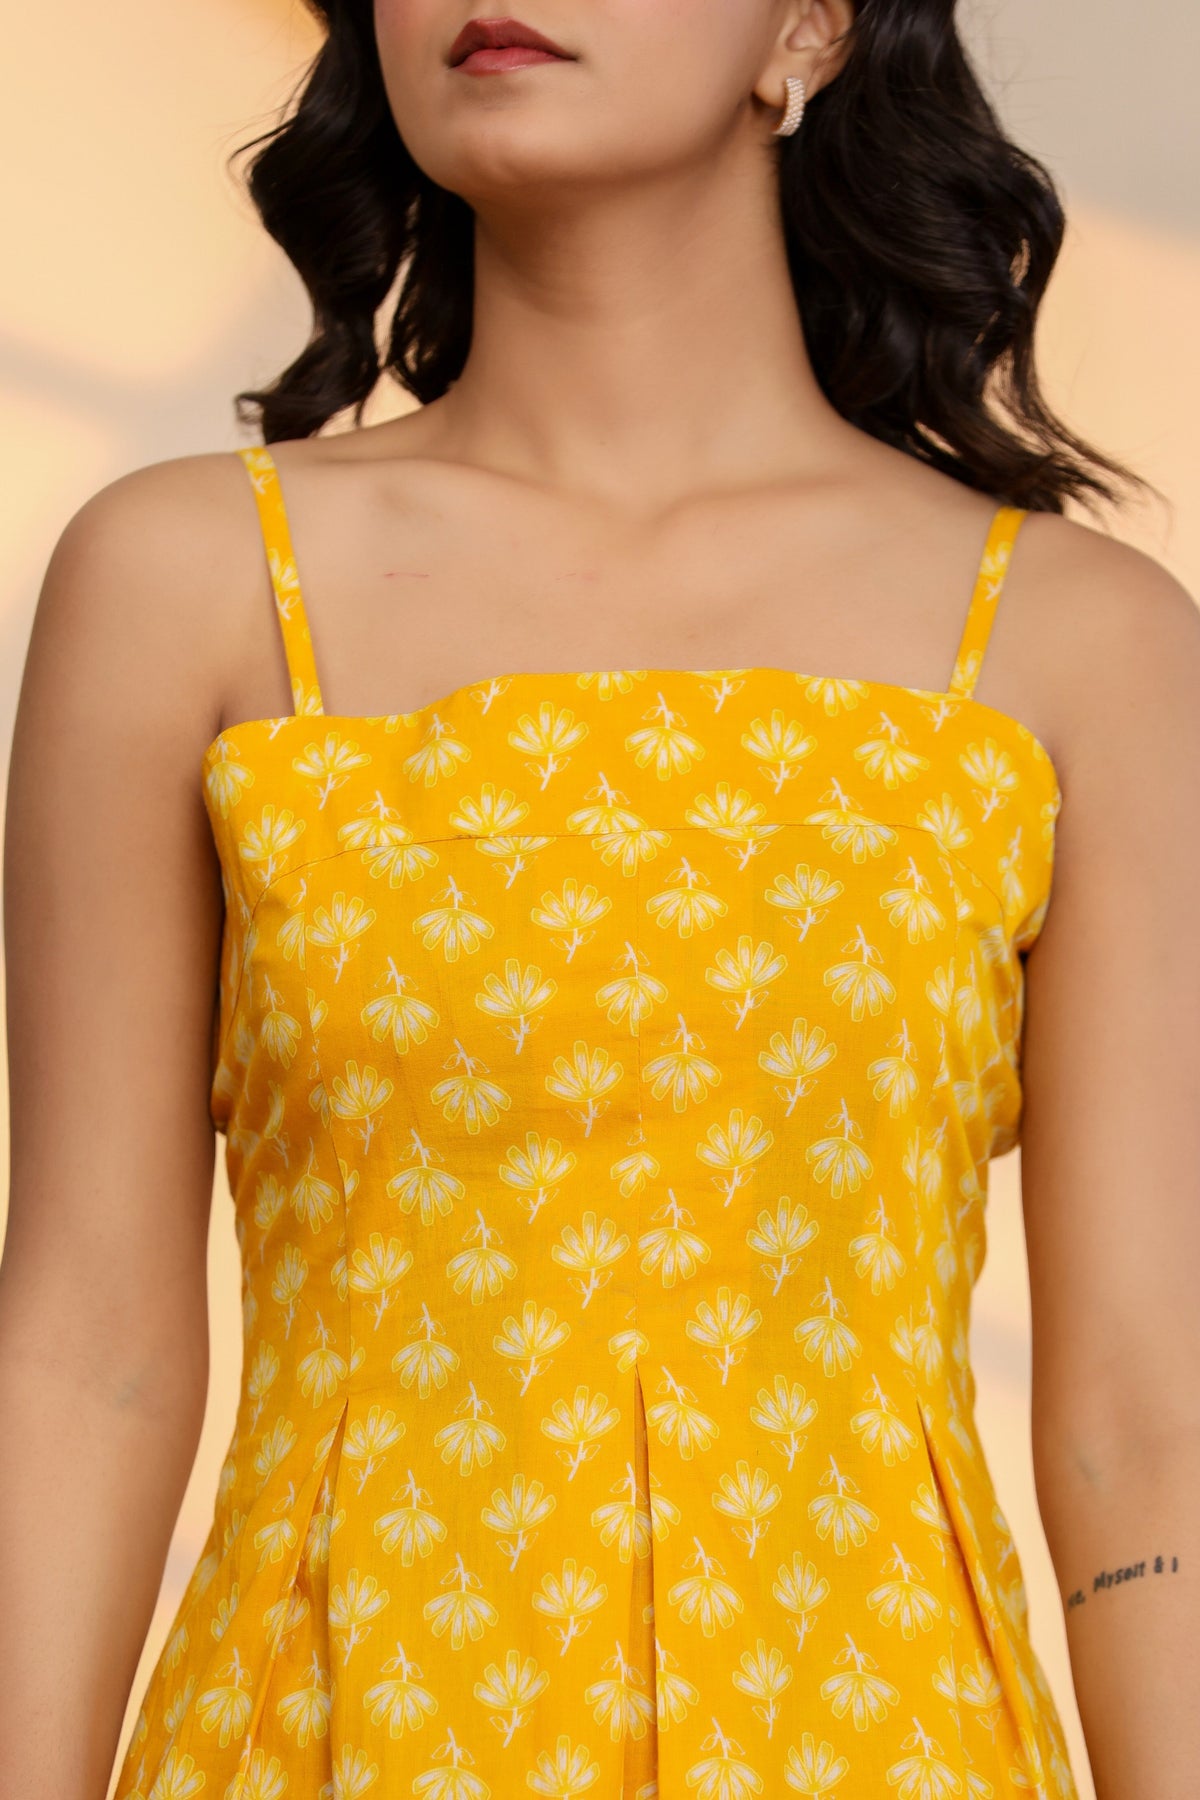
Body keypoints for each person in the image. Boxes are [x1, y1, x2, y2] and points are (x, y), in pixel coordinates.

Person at [2, 2, 1197, 1796]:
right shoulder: (189, 581)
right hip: (330, 1740)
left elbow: (1139, 1416)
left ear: (812, 23)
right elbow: (89, 1346)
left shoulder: (1078, 644)